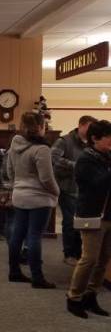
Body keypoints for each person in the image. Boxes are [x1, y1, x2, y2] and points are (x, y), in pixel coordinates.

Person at [6, 112, 60, 289]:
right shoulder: (42, 149)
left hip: (19, 195)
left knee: (17, 235)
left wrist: (18, 185)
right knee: (34, 236)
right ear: (40, 127)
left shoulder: (15, 145)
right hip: (38, 198)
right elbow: (46, 178)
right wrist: (56, 192)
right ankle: (37, 277)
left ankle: (14, 272)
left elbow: (9, 171)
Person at [66, 120, 111, 318]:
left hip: (108, 214)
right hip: (92, 215)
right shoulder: (85, 159)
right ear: (95, 138)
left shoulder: (106, 157)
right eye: (109, 139)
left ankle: (90, 295)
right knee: (89, 259)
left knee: (104, 259)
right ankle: (74, 297)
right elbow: (97, 184)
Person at [52, 115, 97, 266]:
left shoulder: (91, 143)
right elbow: (54, 158)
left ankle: (79, 254)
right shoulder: (64, 141)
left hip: (85, 190)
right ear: (81, 125)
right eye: (90, 127)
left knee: (82, 223)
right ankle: (69, 253)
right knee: (70, 222)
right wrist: (76, 165)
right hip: (68, 188)